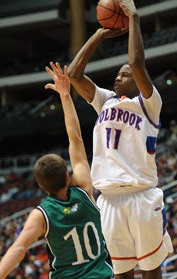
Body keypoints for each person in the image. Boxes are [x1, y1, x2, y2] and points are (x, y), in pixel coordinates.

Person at [67, 0, 173, 279]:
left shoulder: (149, 103)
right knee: (121, 273)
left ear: (138, 83)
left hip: (141, 195)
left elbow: (137, 63)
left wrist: (134, 17)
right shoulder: (105, 100)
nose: (117, 77)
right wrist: (99, 35)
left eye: (123, 75)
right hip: (108, 198)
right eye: (117, 74)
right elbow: (74, 75)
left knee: (151, 272)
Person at [0, 62, 113, 279]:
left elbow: (18, 249)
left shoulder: (40, 215)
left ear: (41, 186)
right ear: (67, 175)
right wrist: (65, 94)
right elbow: (75, 138)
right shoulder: (83, 188)